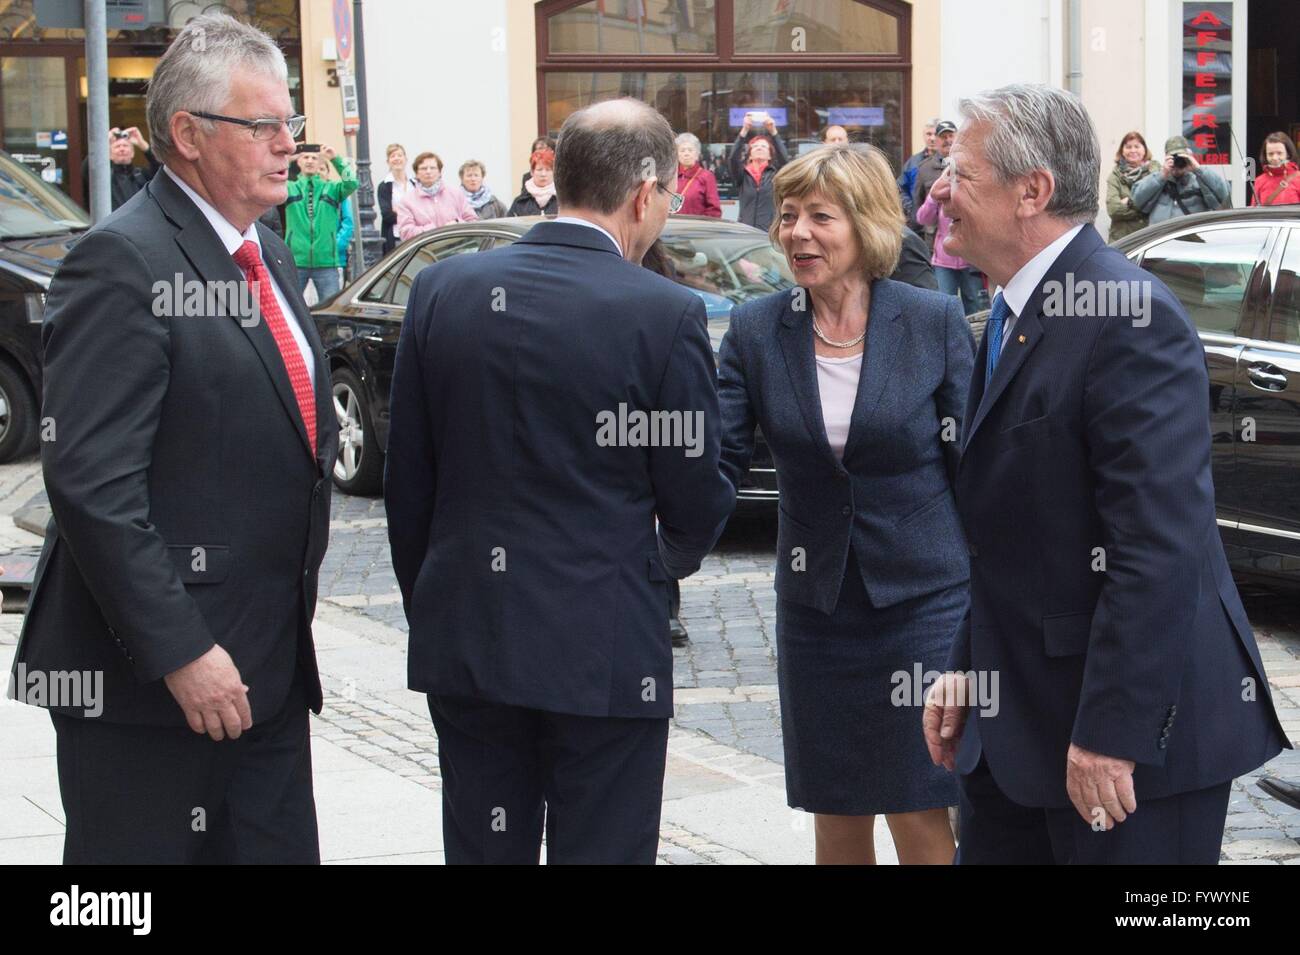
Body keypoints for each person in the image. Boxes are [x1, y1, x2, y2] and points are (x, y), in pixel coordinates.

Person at [922, 83, 1288, 865]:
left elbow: (1157, 546)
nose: (938, 191)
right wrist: (966, 668)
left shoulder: (1127, 316)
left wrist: (1111, 734)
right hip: (1017, 731)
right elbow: (1010, 538)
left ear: (1033, 192)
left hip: (1126, 757)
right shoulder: (1011, 313)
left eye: (959, 173)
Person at [8, 12, 337, 864]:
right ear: (187, 135)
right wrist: (181, 649)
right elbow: (90, 481)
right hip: (151, 693)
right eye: (262, 124)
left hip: (265, 675)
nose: (285, 144)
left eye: (290, 122)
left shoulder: (266, 252)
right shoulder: (121, 260)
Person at [385, 97, 734, 865]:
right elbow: (697, 495)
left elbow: (407, 481)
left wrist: (440, 598)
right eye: (670, 198)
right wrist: (650, 565)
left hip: (470, 634)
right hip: (603, 644)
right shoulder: (666, 312)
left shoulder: (444, 290)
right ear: (645, 193)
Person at [717, 144, 975, 865]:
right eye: (789, 215)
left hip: (924, 603)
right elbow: (717, 459)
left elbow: (974, 473)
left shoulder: (931, 322)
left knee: (920, 807)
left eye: (820, 217)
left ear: (865, 226)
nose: (798, 232)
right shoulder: (757, 330)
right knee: (834, 811)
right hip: (817, 611)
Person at [285, 143, 357, 301]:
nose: (310, 161)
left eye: (314, 158)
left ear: (320, 163)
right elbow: (265, 180)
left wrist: (335, 159)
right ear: (299, 162)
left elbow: (352, 183)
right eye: (305, 157)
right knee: (291, 307)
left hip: (327, 262)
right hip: (297, 260)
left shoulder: (332, 188)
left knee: (330, 313)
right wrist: (286, 159)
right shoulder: (289, 188)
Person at [1129, 135, 1230, 224]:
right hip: (1161, 241)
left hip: (1191, 242)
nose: (1177, 163)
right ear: (1166, 158)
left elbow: (1223, 194)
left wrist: (1198, 169)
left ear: (1189, 157)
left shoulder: (1199, 180)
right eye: (1173, 158)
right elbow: (1137, 199)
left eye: (1181, 158)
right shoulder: (1158, 179)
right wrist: (1162, 175)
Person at [915, 186, 983, 314]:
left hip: (972, 259)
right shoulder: (942, 189)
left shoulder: (972, 187)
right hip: (943, 261)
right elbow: (922, 219)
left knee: (976, 307)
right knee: (942, 306)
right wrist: (933, 198)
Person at [396, 151, 478, 240]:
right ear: (417, 174)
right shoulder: (406, 201)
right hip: (427, 252)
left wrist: (457, 224)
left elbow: (473, 221)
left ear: (439, 172)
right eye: (423, 168)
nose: (428, 171)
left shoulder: (456, 194)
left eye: (432, 168)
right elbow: (405, 233)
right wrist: (436, 229)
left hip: (461, 249)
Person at [727, 112, 789, 231]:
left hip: (770, 231)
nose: (759, 148)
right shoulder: (743, 175)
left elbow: (785, 160)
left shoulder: (776, 174)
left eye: (764, 147)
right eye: (755, 147)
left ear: (770, 156)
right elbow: (733, 159)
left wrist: (773, 131)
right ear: (749, 155)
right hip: (745, 230)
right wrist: (744, 130)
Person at [82, 125, 160, 212]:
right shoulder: (104, 178)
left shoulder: (142, 174)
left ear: (132, 153)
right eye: (117, 146)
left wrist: (143, 145)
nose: (122, 149)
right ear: (110, 155)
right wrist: (103, 142)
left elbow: (161, 169)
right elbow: (87, 169)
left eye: (125, 146)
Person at [1105, 131, 1160, 242]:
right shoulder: (1115, 175)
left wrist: (1129, 202)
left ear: (1144, 149)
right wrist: (1143, 204)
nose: (1133, 150)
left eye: (1137, 146)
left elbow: (1157, 203)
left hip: (1148, 239)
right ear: (1122, 151)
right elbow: (1113, 210)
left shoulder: (1155, 171)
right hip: (1122, 240)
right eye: (1128, 147)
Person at [911, 120, 955, 250]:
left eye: (951, 136)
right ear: (936, 140)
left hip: (967, 248)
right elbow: (917, 205)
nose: (948, 140)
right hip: (935, 245)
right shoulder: (924, 168)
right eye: (943, 137)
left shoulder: (969, 164)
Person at [377, 143, 417, 254]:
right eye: (393, 156)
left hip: (416, 236)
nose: (397, 159)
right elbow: (387, 215)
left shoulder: (415, 184)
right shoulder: (384, 186)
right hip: (395, 237)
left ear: (406, 159)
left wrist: (398, 210)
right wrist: (412, 213)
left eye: (399, 155)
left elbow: (422, 210)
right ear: (388, 161)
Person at [899, 118, 939, 223]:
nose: (932, 138)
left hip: (939, 224)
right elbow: (900, 188)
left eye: (935, 134)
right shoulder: (913, 162)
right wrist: (910, 208)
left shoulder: (948, 161)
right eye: (929, 134)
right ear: (924, 136)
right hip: (917, 225)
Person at [674, 133, 721, 217]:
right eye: (682, 150)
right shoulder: (671, 177)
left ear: (697, 154)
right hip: (674, 227)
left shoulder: (706, 176)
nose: (686, 154)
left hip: (696, 228)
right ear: (677, 154)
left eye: (690, 150)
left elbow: (714, 210)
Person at [1250, 132, 1300, 206]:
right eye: (1270, 154)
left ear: (1288, 154)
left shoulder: (1298, 178)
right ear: (1265, 155)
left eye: (1279, 153)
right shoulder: (1259, 181)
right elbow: (1253, 212)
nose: (1275, 158)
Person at [506, 147, 558, 216]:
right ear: (532, 172)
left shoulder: (563, 202)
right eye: (539, 170)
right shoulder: (520, 202)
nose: (543, 174)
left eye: (548, 170)